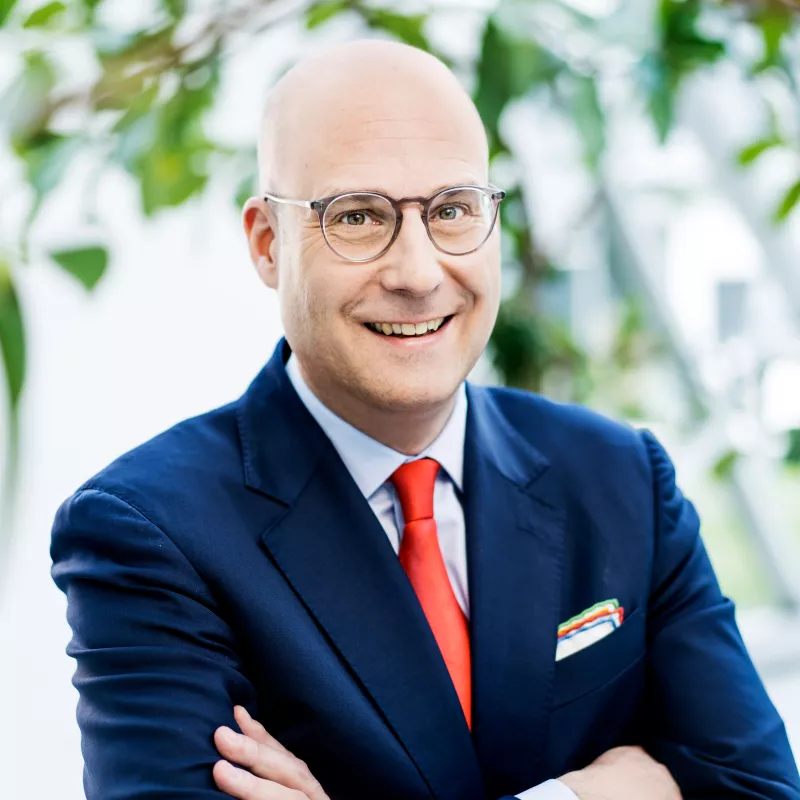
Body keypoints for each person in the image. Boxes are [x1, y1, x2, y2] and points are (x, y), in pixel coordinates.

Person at [50, 39, 800, 800]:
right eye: (357, 216)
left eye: (452, 210)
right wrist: (591, 794)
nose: (416, 272)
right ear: (268, 244)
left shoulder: (621, 478)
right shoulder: (149, 533)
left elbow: (756, 789)